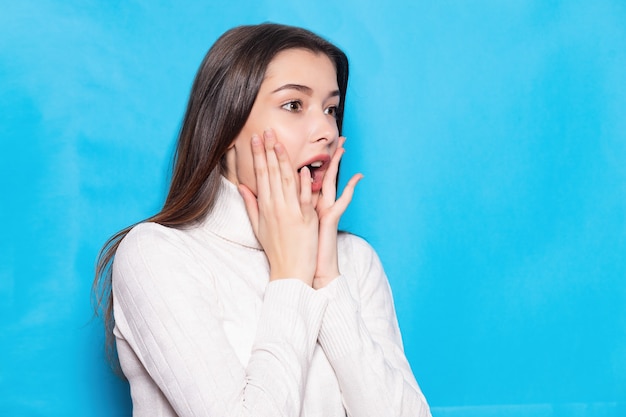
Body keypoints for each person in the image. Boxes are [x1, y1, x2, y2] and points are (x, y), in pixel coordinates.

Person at [94, 23, 431, 417]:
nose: (326, 130)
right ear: (226, 126)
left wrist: (326, 279)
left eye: (331, 109)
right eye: (293, 105)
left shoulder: (354, 259)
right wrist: (291, 275)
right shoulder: (158, 254)